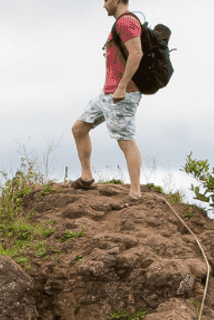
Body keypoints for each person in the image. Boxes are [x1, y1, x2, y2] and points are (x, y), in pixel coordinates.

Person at [71, 0, 144, 199]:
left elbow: (136, 53)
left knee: (125, 140)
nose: (104, 5)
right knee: (79, 128)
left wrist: (122, 86)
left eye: (106, 0)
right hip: (107, 93)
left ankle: (135, 192)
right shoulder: (119, 23)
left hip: (124, 93)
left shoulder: (126, 22)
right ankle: (87, 178)